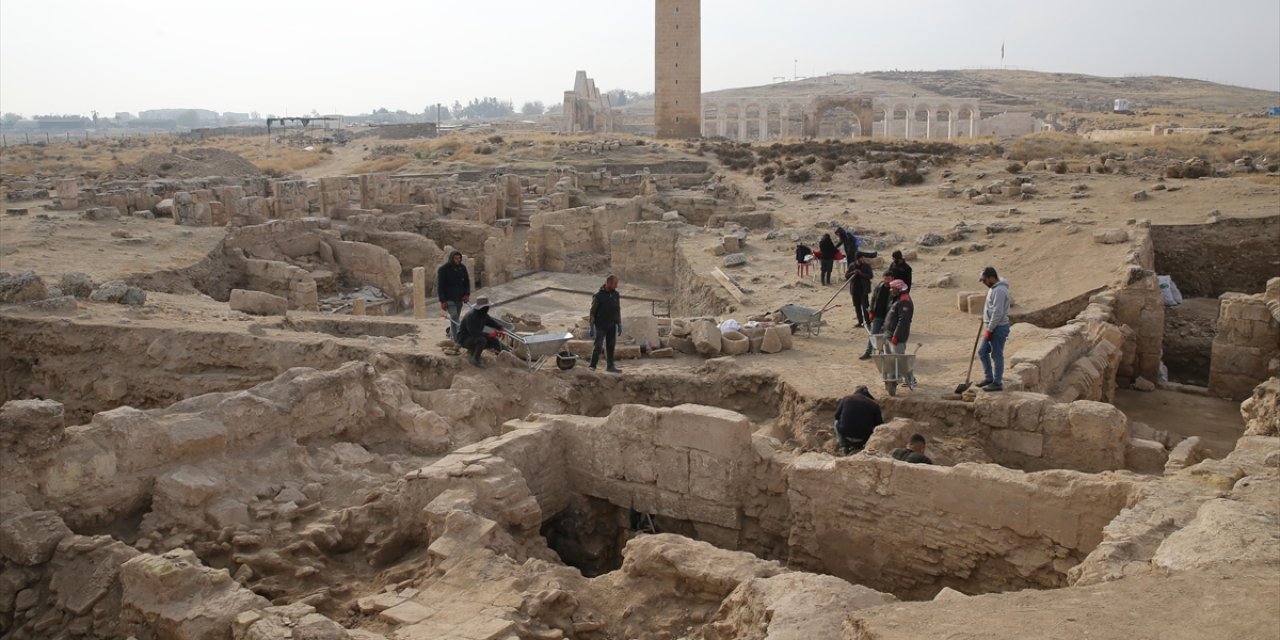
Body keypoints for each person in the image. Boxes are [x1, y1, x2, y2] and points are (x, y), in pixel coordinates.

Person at [977, 266, 1011, 392]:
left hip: (998, 328)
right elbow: (991, 308)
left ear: (992, 278)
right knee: (982, 352)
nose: (984, 283)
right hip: (992, 326)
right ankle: (989, 378)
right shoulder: (993, 288)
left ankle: (997, 383)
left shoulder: (1000, 291)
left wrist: (989, 329)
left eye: (985, 280)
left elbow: (998, 313)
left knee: (997, 355)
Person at [457, 295, 504, 368]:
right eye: (487, 307)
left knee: (494, 340)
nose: (488, 308)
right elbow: (475, 333)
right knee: (482, 340)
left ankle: (504, 354)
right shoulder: (471, 317)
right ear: (482, 308)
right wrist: (490, 334)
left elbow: (491, 321)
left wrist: (500, 327)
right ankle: (475, 358)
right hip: (465, 339)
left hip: (474, 337)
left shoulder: (483, 314)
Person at [833, 385, 883, 454]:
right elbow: (880, 425)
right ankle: (865, 447)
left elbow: (836, 416)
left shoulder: (847, 398)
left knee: (836, 422)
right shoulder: (874, 405)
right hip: (864, 439)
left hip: (846, 436)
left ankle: (844, 446)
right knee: (876, 429)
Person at [589, 275, 623, 373]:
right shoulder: (598, 295)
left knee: (611, 346)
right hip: (601, 325)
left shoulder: (616, 294)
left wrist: (619, 323)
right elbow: (592, 311)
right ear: (608, 283)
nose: (616, 286)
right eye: (615, 284)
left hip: (612, 325)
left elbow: (617, 309)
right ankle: (592, 366)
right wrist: (591, 326)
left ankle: (610, 366)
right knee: (598, 346)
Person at [860, 271, 894, 360]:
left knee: (886, 336)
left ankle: (883, 353)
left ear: (892, 279)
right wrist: (871, 311)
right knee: (873, 334)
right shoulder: (879, 286)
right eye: (885, 278)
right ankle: (868, 352)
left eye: (889, 279)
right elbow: (873, 299)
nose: (887, 281)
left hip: (888, 317)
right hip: (878, 315)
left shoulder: (894, 289)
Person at [437, 251, 470, 337]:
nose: (457, 260)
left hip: (459, 299)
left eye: (459, 258)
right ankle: (456, 339)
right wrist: (442, 301)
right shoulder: (443, 269)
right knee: (454, 316)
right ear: (451, 258)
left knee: (454, 319)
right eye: (456, 258)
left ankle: (451, 333)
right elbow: (440, 286)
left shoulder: (462, 268)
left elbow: (466, 282)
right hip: (449, 299)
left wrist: (466, 294)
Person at [883, 279, 913, 355]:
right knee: (890, 361)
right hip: (889, 335)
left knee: (898, 362)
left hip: (896, 338)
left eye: (892, 288)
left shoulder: (904, 301)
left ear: (897, 288)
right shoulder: (897, 298)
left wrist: (896, 336)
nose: (890, 290)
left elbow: (903, 321)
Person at [849, 253, 873, 327]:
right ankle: (860, 322)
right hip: (855, 289)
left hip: (863, 290)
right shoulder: (852, 266)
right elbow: (846, 275)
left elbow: (870, 276)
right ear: (857, 259)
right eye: (861, 258)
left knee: (865, 306)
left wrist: (861, 273)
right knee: (857, 306)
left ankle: (868, 322)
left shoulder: (867, 266)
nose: (863, 259)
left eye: (863, 258)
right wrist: (853, 272)